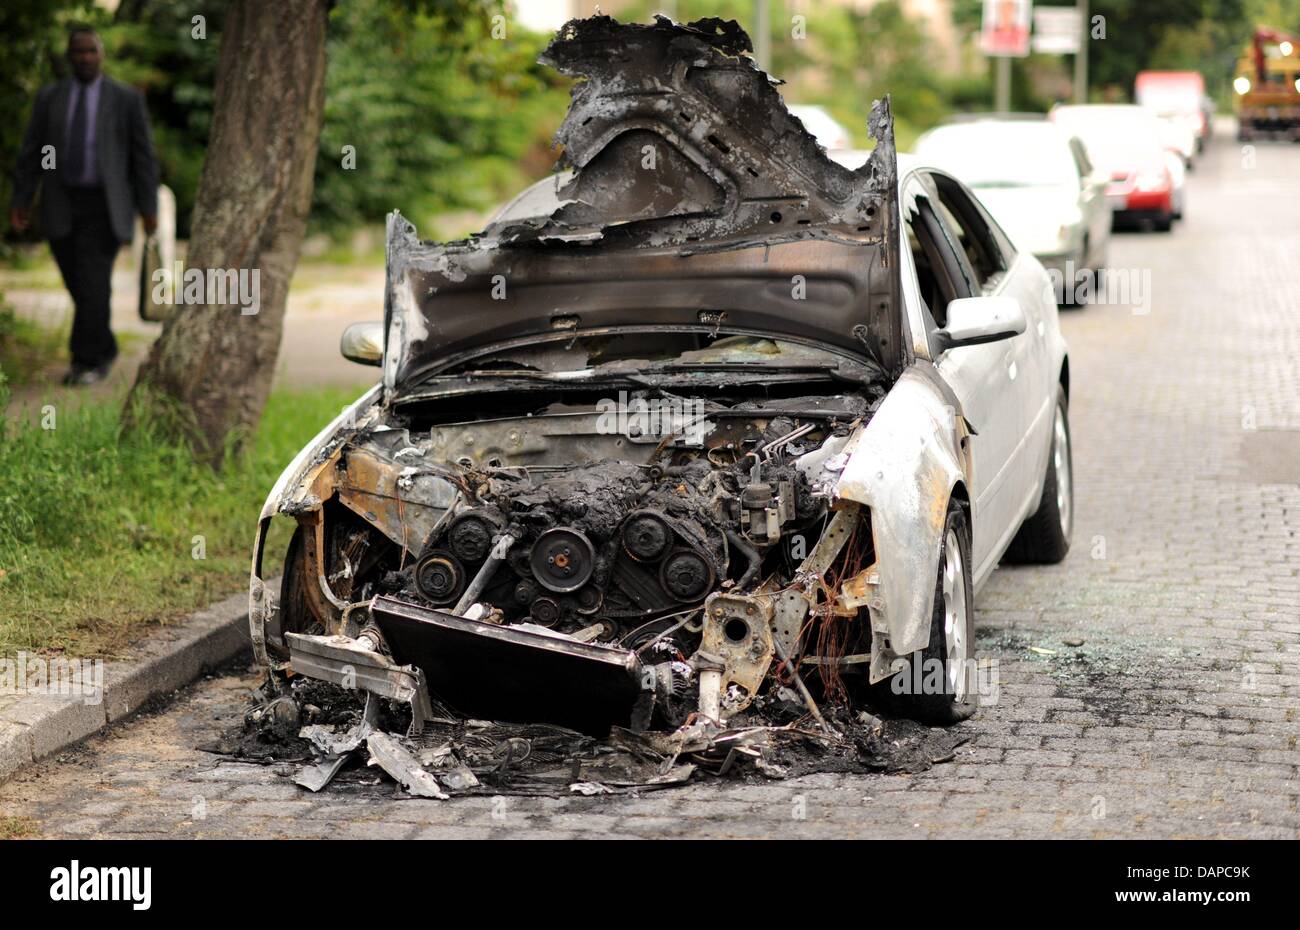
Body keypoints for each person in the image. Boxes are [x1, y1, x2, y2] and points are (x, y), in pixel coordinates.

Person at [10, 26, 159, 386]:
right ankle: (104, 345)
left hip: (105, 206)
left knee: (93, 283)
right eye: (78, 52)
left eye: (91, 51)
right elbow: (34, 153)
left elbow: (143, 157)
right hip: (61, 203)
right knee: (78, 283)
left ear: (101, 54)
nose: (85, 57)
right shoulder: (50, 98)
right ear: (69, 56)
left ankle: (86, 362)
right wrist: (22, 200)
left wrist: (148, 207)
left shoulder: (124, 99)